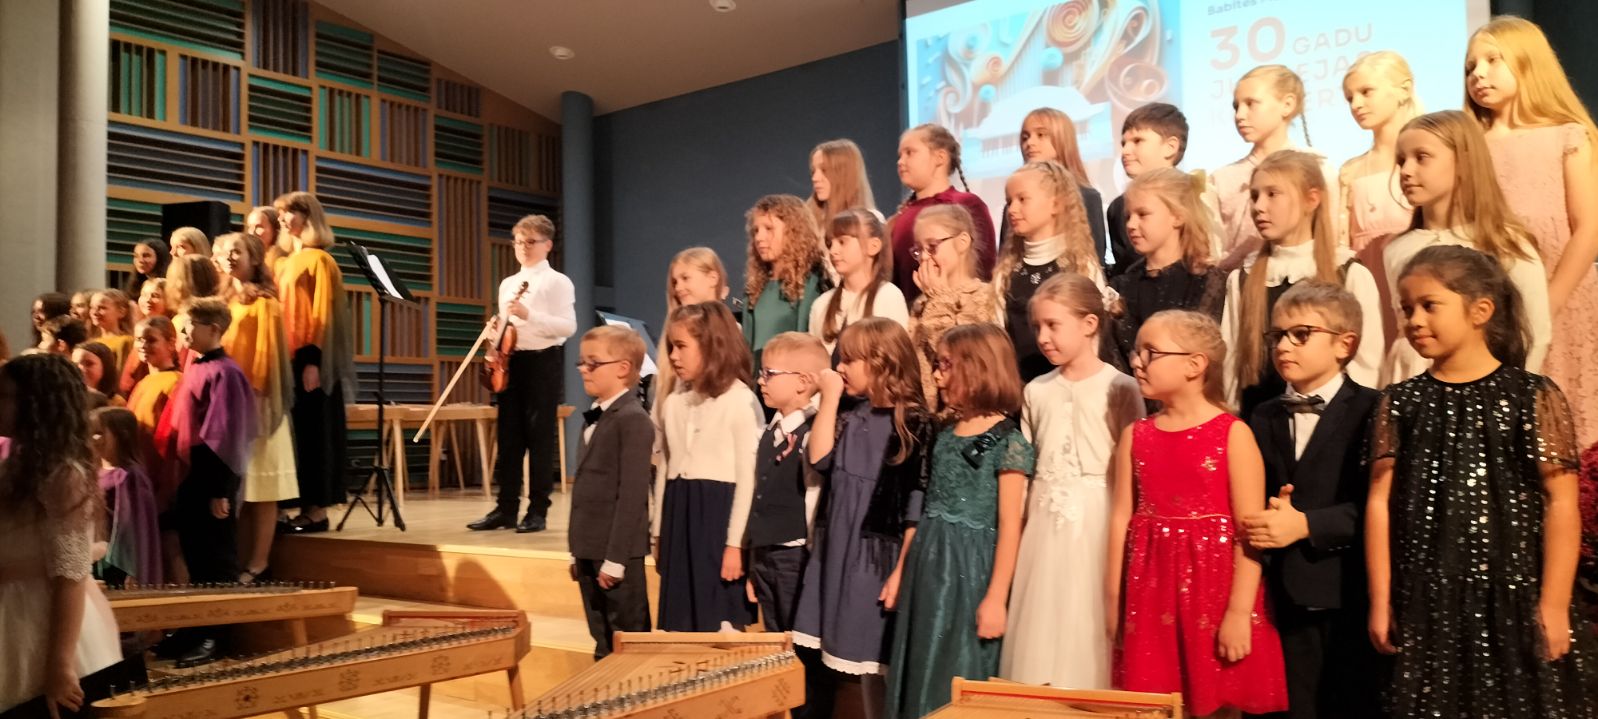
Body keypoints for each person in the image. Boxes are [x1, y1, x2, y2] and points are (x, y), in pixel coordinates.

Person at [1367, 245, 1598, 716]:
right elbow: (1379, 503)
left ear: (1481, 311)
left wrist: (1554, 604)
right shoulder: (1400, 402)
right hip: (1427, 602)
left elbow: (1561, 502)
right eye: (1406, 309)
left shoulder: (1532, 395)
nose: (1414, 320)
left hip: (1518, 596)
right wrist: (1381, 599)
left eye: (1429, 305)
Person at [1107, 310, 1287, 716]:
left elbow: (1248, 533)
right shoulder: (1135, 436)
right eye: (1136, 352)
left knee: (1216, 705)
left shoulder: (1233, 435)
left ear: (1195, 365)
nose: (1137, 361)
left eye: (1151, 352)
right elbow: (1120, 521)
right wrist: (1113, 603)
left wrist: (1239, 612)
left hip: (1215, 600)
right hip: (1149, 601)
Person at [1241, 282, 1382, 718]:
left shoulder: (1375, 410)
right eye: (1277, 335)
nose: (1283, 346)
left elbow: (1382, 507)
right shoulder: (1261, 412)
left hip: (1344, 594)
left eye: (1300, 334)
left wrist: (1305, 525)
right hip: (1277, 595)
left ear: (1345, 344)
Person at [1000, 273, 1142, 689]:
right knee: (1044, 619)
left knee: (1088, 617)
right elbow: (1028, 465)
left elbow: (1133, 465)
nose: (1043, 337)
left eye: (1053, 325)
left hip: (1099, 520)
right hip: (1044, 523)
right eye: (1037, 327)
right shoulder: (1036, 391)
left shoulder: (1121, 387)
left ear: (1089, 324)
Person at [884, 324, 1033, 719]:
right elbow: (927, 506)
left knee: (954, 667)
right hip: (929, 567)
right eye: (937, 365)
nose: (936, 376)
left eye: (946, 366)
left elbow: (1010, 525)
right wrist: (903, 570)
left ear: (978, 368)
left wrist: (996, 598)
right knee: (919, 660)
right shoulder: (946, 434)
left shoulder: (1007, 441)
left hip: (970, 574)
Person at [793, 318, 935, 718]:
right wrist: (830, 399)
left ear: (881, 363)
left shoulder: (914, 423)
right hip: (837, 549)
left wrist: (901, 571)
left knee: (870, 664)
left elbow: (915, 505)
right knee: (837, 667)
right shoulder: (850, 414)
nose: (839, 368)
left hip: (874, 560)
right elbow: (819, 458)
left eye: (849, 360)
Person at [1469, 16, 1598, 450]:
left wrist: (1548, 304)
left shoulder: (1566, 136)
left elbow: (1588, 229)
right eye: (1470, 67)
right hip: (1496, 308)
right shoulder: (1471, 147)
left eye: (1492, 60)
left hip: (1565, 298)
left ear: (1528, 62)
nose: (1478, 74)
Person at [1382, 110, 1550, 384]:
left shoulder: (1504, 243)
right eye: (1401, 161)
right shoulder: (1397, 250)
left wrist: (1514, 393)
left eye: (1421, 157)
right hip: (1413, 377)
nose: (1406, 171)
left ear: (1463, 162)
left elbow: (1534, 331)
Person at [0, 355, 123, 718]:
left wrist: (60, 664)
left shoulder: (63, 476)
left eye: (4, 395)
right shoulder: (17, 463)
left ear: (35, 403)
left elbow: (70, 574)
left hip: (36, 615)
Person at [1220, 151, 1381, 418]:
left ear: (1311, 199)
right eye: (1255, 196)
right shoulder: (1243, 278)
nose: (1259, 206)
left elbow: (1367, 364)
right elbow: (1231, 364)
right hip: (1259, 423)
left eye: (1272, 194)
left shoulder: (1348, 272)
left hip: (1334, 425)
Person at [653, 301, 762, 632]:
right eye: (671, 347)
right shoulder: (674, 402)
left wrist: (735, 544)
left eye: (682, 346)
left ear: (713, 345)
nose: (673, 356)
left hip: (717, 519)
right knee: (680, 621)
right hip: (680, 514)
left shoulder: (740, 401)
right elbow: (666, 467)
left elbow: (748, 481)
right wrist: (658, 531)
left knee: (719, 622)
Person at [466, 213, 576, 534]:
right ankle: (506, 508)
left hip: (543, 362)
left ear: (547, 245)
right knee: (509, 438)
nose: (523, 248)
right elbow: (508, 328)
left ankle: (538, 511)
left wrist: (530, 314)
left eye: (530, 242)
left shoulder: (557, 282)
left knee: (539, 439)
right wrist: (495, 335)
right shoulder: (508, 284)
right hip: (510, 362)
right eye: (518, 242)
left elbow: (568, 327)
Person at [164, 297, 256, 666]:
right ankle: (195, 627)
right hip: (193, 474)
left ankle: (216, 635)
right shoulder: (196, 367)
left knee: (217, 559)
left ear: (213, 329)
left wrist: (221, 489)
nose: (182, 333)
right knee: (196, 557)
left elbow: (227, 435)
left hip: (214, 477)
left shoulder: (226, 373)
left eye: (188, 326)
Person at [567, 325, 654, 659]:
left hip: (616, 555)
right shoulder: (595, 417)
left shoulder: (633, 419)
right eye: (582, 362)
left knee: (628, 642)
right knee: (601, 639)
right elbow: (584, 493)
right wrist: (576, 552)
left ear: (622, 368)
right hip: (589, 549)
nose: (583, 369)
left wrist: (616, 560)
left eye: (593, 363)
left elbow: (632, 497)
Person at [216, 232, 298, 583]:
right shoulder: (222, 302)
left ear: (254, 258)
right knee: (238, 490)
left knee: (262, 490)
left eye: (237, 251)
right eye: (225, 252)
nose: (230, 257)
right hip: (228, 404)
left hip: (258, 406)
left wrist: (253, 400)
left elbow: (266, 358)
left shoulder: (265, 303)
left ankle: (260, 563)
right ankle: (234, 561)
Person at [275, 191, 356, 535]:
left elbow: (321, 314)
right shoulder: (283, 262)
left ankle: (317, 510)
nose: (282, 219)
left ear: (307, 218)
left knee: (315, 433)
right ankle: (297, 506)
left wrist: (313, 361)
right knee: (297, 435)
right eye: (280, 214)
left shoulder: (319, 260)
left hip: (309, 358)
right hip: (286, 358)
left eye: (288, 213)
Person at [1211, 65, 1340, 272]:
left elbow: (1330, 238)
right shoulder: (1222, 179)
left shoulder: (1318, 169)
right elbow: (1214, 254)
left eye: (1251, 103)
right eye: (1236, 107)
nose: (1240, 115)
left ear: (1287, 104)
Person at [995, 160, 1106, 382]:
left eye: (1022, 199)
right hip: (1021, 388)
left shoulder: (1080, 266)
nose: (1012, 209)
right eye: (1009, 202)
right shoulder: (1006, 273)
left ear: (1056, 204)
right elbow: (998, 339)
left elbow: (1095, 338)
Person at [746, 332, 827, 636]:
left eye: (769, 373)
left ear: (802, 382)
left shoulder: (812, 433)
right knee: (774, 636)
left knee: (796, 638)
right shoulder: (770, 431)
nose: (760, 380)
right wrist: (754, 561)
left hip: (794, 556)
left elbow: (813, 497)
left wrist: (811, 556)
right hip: (765, 554)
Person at [1339, 51, 1421, 350]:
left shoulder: (1428, 161)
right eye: (1350, 98)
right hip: (1369, 292)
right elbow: (1341, 245)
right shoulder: (1351, 171)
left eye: (1366, 92)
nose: (1356, 104)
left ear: (1403, 90)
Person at [1110, 168, 1227, 370]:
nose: (1131, 224)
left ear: (1178, 216)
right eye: (1128, 216)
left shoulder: (1205, 281)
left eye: (1142, 214)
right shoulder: (1122, 286)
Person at [889, 124, 997, 303]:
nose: (900, 161)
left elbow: (984, 267)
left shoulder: (966, 205)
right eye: (900, 155)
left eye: (910, 153)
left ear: (940, 157)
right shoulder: (900, 217)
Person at [907, 204, 998, 409]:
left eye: (932, 247)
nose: (924, 257)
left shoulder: (984, 296)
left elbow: (959, 359)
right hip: (925, 414)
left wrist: (939, 298)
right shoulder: (922, 302)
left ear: (962, 242)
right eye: (918, 250)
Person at [124, 316, 185, 583]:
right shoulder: (142, 383)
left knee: (171, 545)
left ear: (171, 344)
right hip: (141, 477)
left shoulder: (176, 383)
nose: (143, 345)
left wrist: (166, 487)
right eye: (139, 340)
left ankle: (185, 606)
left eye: (151, 340)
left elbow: (172, 438)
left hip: (163, 479)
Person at [1106, 103, 1197, 279]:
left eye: (1137, 141)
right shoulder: (1118, 207)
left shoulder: (1195, 194)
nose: (1125, 151)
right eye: (1123, 143)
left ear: (1170, 147)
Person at [742, 194, 830, 368]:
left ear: (793, 232)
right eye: (756, 230)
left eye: (769, 229)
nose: (759, 238)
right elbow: (747, 347)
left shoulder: (809, 284)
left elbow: (806, 343)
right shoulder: (755, 288)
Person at [809, 208, 910, 355]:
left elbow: (898, 356)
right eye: (830, 244)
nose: (833, 251)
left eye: (842, 242)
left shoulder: (888, 296)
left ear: (873, 246)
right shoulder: (822, 304)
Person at [1016, 108, 1106, 269]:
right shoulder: (1016, 200)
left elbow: (1095, 256)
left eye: (1041, 135)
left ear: (1062, 139)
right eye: (1025, 137)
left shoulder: (1087, 197)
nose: (1030, 143)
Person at [653, 247, 732, 421]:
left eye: (685, 278)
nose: (678, 288)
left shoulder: (732, 334)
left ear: (712, 278)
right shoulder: (672, 332)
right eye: (675, 282)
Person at [90, 406, 162, 588]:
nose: (94, 439)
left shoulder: (131, 476)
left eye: (100, 433)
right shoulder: (94, 473)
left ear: (121, 436)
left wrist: (134, 568)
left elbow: (138, 528)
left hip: (119, 563)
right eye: (91, 433)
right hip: (95, 556)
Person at [808, 139, 879, 281]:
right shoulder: (810, 222)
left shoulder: (870, 222)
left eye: (824, 170)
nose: (815, 178)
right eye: (813, 171)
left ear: (843, 173)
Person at [87, 290, 135, 371]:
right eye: (92, 307)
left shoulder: (125, 341)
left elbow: (122, 373)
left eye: (102, 308)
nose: (95, 312)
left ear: (121, 312)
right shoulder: (91, 341)